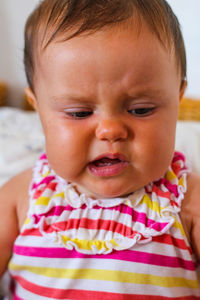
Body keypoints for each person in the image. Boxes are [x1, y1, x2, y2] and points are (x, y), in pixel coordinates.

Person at [0, 0, 200, 298]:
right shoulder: (20, 198)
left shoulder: (188, 203)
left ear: (177, 99)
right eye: (79, 113)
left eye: (141, 109)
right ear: (37, 107)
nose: (110, 130)